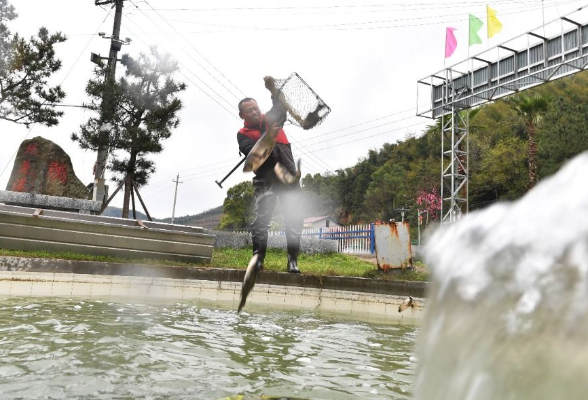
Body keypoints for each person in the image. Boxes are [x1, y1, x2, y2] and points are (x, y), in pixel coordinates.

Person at [237, 96, 302, 274]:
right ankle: (258, 260)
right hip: (265, 181)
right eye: (249, 110)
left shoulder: (271, 119)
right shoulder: (242, 134)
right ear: (242, 114)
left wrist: (274, 92)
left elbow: (280, 108)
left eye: (256, 108)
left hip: (288, 178)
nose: (254, 112)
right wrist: (268, 138)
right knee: (262, 220)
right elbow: (253, 155)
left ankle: (292, 260)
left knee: (294, 219)